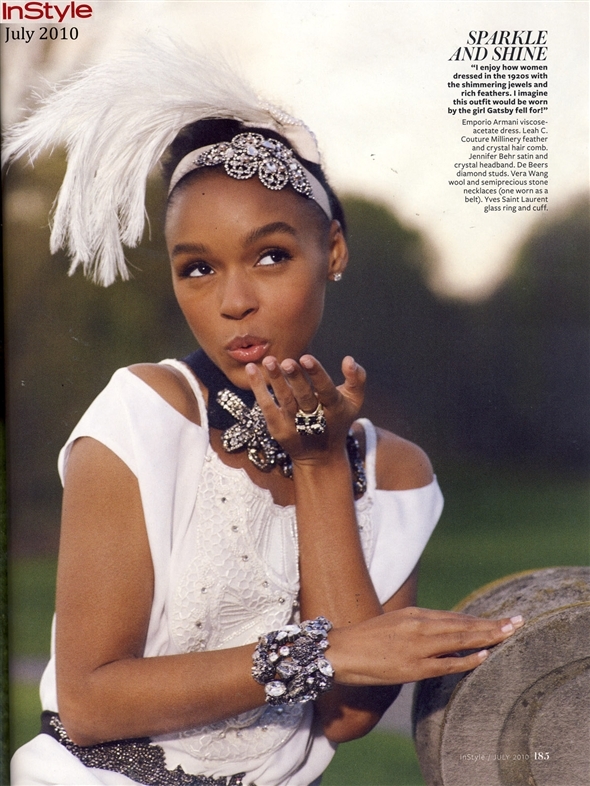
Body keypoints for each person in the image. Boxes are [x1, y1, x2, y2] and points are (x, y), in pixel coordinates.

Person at [6, 40, 524, 786]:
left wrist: (320, 465)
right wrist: (323, 651)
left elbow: (345, 716)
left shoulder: (396, 472)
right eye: (198, 268)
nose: (234, 301)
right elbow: (89, 704)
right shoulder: (144, 416)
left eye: (271, 255)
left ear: (333, 250)